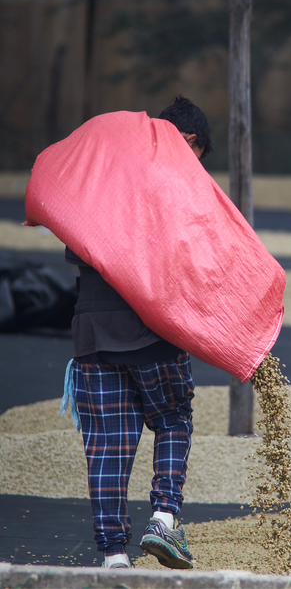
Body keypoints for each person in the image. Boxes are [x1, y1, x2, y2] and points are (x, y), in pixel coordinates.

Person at [64, 96, 213, 570]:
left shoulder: (96, 179)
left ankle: (113, 556)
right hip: (154, 332)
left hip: (92, 331)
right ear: (187, 141)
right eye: (200, 155)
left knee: (107, 443)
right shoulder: (177, 186)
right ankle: (164, 520)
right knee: (172, 417)